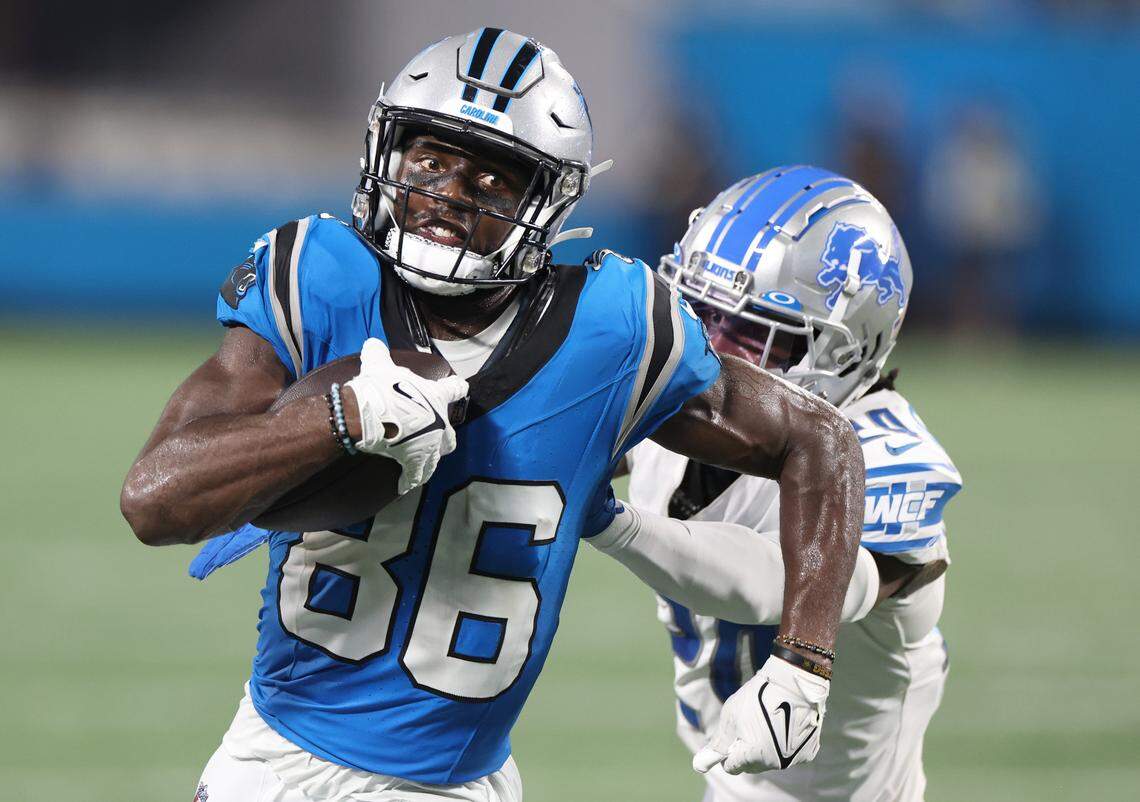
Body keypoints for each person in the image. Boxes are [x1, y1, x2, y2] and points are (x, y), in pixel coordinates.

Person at [120, 31, 864, 802]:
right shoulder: (320, 276)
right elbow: (152, 500)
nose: (449, 193)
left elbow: (818, 439)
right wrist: (341, 417)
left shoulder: (614, 329)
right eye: (431, 161)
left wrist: (803, 663)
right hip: (269, 759)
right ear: (389, 153)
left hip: (450, 784)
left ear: (546, 201)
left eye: (492, 180)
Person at [620, 166, 962, 801]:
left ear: (842, 352)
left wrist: (611, 525)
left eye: (750, 334)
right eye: (697, 313)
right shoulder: (685, 401)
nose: (707, 355)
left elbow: (785, 583)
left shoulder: (889, 459)